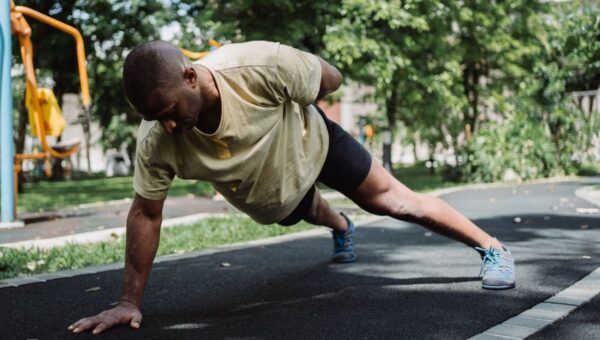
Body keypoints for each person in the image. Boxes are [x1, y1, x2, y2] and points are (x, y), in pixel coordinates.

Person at [68, 40, 515, 335]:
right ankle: (341, 225)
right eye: (154, 119)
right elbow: (146, 212)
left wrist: (305, 80)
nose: (167, 125)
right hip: (266, 189)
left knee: (392, 200)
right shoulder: (157, 141)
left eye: (168, 111)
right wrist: (128, 300)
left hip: (313, 143)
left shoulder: (257, 66)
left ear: (191, 76)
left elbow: (331, 77)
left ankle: (492, 248)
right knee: (301, 211)